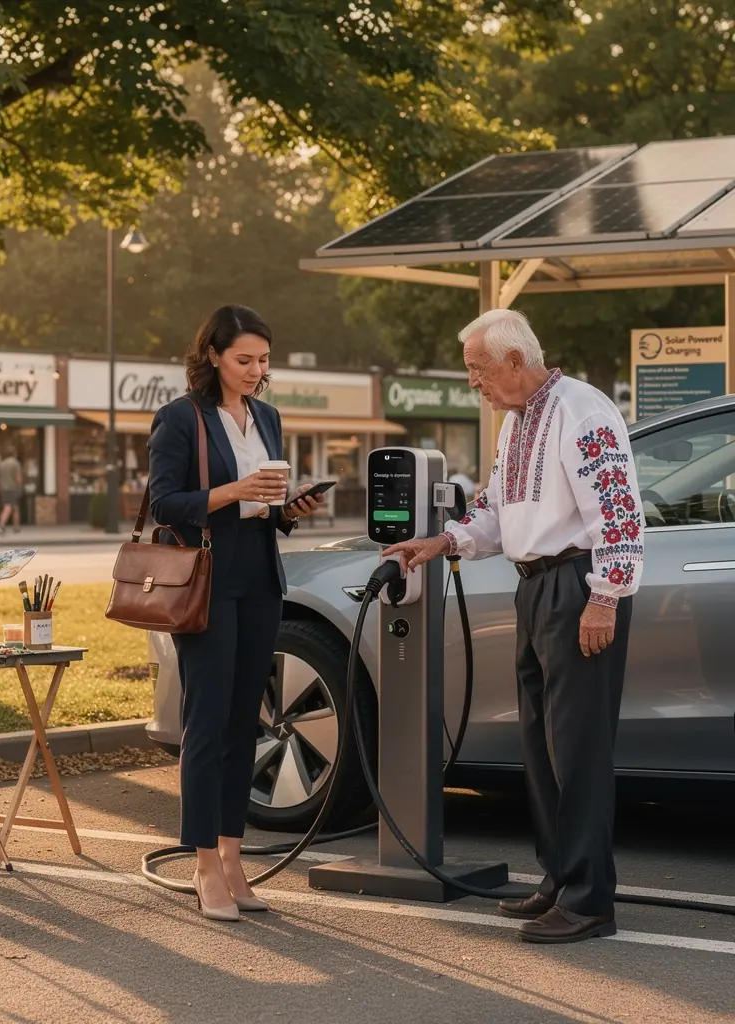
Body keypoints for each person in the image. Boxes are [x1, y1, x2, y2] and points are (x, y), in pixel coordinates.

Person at [383, 308, 642, 945]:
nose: (474, 381)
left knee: (577, 751)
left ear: (516, 361)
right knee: (542, 745)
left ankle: (589, 901)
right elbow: (496, 511)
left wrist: (605, 596)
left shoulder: (583, 411)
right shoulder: (518, 424)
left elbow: (619, 513)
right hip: (536, 588)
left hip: (579, 584)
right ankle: (560, 879)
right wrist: (442, 541)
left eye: (478, 369)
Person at [148, 304, 323, 921]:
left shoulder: (268, 417)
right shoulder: (180, 418)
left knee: (245, 725)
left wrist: (287, 509)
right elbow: (166, 502)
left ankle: (232, 858)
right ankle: (202, 868)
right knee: (208, 726)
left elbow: (266, 505)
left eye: (263, 360)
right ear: (214, 356)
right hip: (208, 581)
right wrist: (234, 492)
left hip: (261, 579)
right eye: (244, 359)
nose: (256, 370)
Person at [0, 447, 23, 535]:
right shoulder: (15, 463)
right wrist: (20, 486)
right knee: (8, 506)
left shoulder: (1, 464)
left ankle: (16, 527)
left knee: (15, 507)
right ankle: (1, 525)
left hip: (4, 488)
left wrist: (0, 488)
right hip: (12, 488)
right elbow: (18, 477)